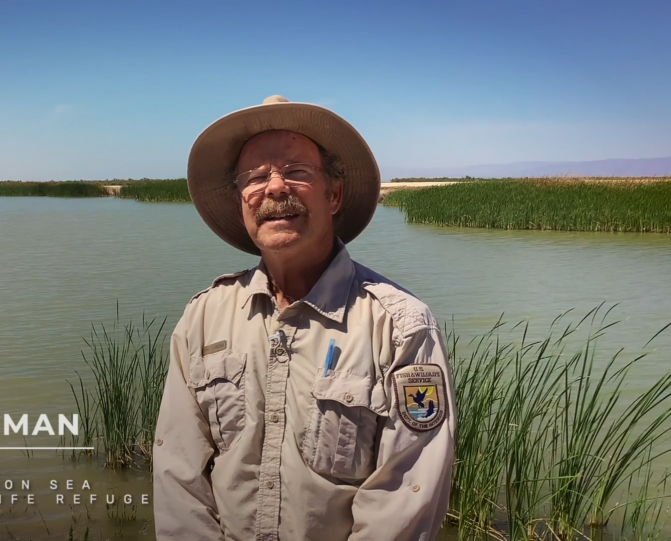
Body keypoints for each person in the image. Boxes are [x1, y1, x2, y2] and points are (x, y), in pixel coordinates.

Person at [152, 96, 456, 541]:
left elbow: (405, 498)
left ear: (334, 195)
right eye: (255, 177)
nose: (274, 188)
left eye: (296, 172)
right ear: (241, 202)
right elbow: (178, 475)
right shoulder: (204, 317)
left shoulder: (402, 327)